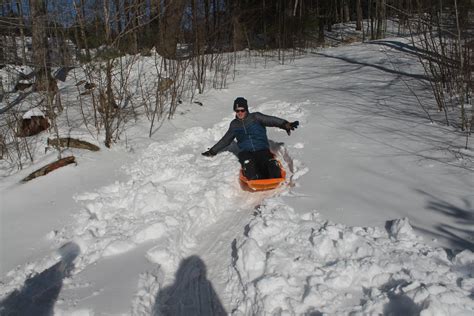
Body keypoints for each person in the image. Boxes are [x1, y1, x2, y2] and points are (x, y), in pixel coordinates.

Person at [202, 97, 299, 180]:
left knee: (271, 165)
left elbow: (272, 120)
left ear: (246, 109)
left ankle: (272, 175)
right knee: (249, 166)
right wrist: (212, 151)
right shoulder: (234, 125)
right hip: (246, 152)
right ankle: (256, 177)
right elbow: (225, 140)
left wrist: (285, 124)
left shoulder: (256, 117)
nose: (240, 113)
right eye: (237, 110)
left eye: (242, 110)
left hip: (261, 149)